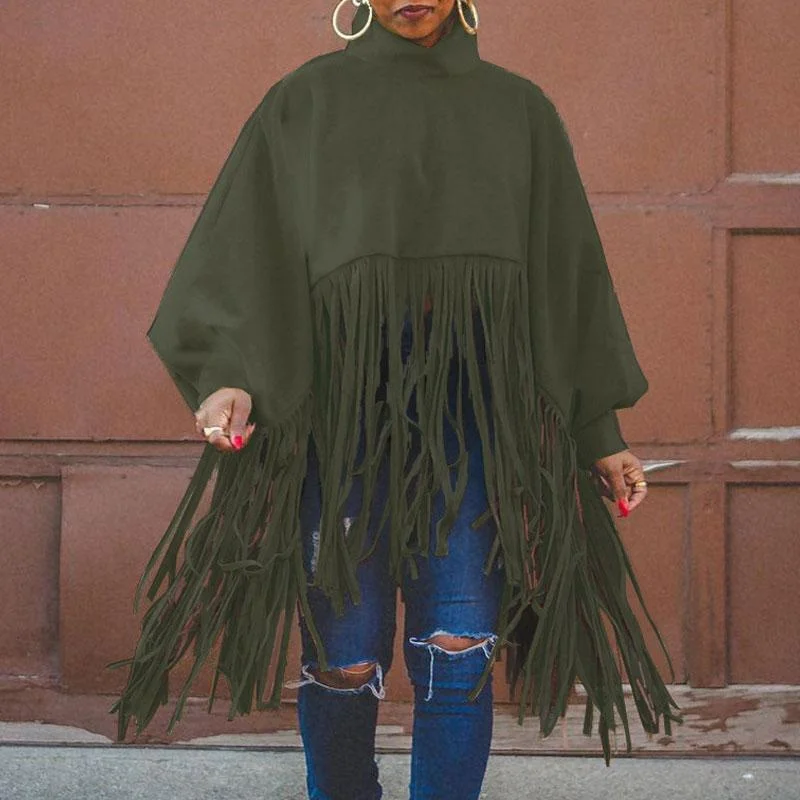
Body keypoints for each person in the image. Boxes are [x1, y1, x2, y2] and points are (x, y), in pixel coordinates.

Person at [109, 1, 682, 797]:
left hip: (473, 418)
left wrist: (599, 430)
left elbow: (566, 276)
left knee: (460, 645)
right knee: (343, 656)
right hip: (339, 417)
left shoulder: (519, 111)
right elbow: (247, 251)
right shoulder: (305, 102)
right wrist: (229, 376)